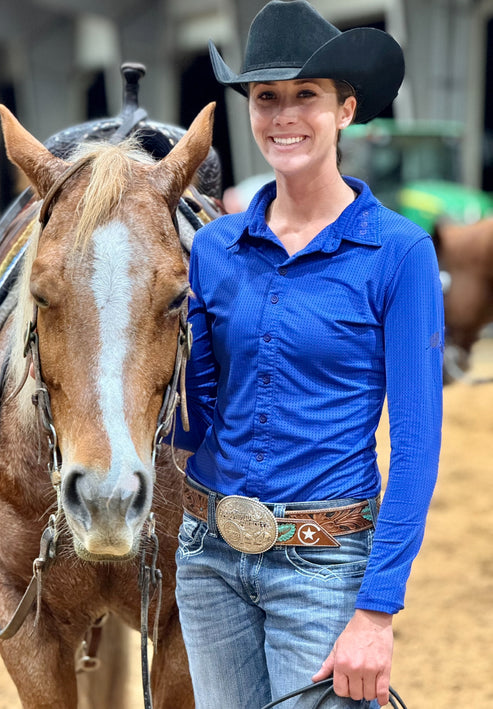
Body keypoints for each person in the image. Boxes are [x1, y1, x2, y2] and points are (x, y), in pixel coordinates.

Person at [173, 2, 444, 707]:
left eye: (306, 96)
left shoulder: (399, 251)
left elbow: (415, 446)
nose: (282, 115)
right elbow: (191, 425)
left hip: (324, 564)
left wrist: (376, 611)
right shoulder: (211, 248)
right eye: (266, 97)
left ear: (345, 109)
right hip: (207, 554)